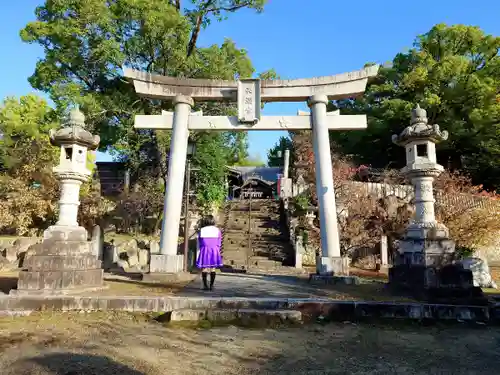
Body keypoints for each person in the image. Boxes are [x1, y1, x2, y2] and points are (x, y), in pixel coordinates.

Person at [196, 215, 223, 290]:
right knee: (213, 268)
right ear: (213, 221)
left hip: (205, 249)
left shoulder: (202, 230)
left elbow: (200, 241)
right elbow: (219, 242)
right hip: (214, 250)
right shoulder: (217, 230)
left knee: (204, 268)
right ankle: (211, 285)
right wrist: (217, 248)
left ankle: (205, 285)